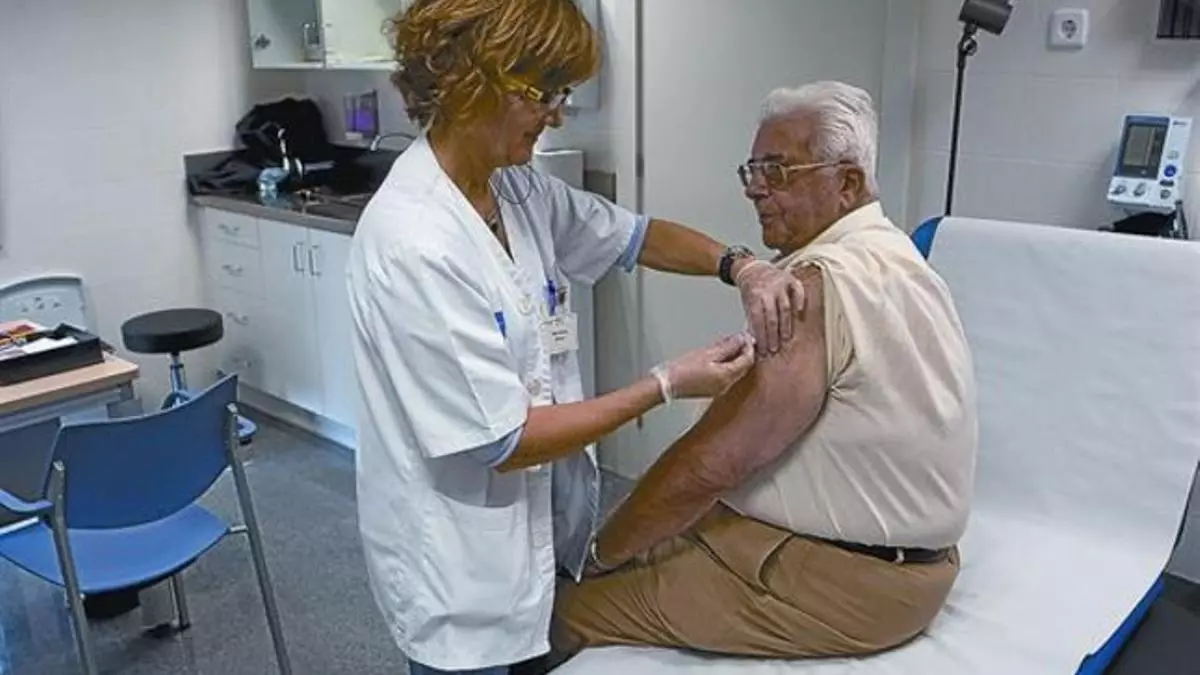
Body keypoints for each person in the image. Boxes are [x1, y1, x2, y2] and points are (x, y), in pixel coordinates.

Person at [344, 1, 807, 673]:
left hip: (543, 539)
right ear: (475, 80)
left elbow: (636, 236)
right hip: (459, 568)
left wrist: (742, 266)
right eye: (543, 93)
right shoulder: (415, 241)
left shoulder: (515, 190)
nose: (556, 114)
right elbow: (504, 440)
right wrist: (665, 384)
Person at [552, 81, 978, 662]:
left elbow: (711, 464)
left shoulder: (812, 288)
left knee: (561, 612)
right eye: (752, 171)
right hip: (907, 565)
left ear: (847, 183)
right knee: (664, 530)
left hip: (845, 579)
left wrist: (598, 555)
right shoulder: (898, 255)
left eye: (777, 172)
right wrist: (742, 266)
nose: (755, 189)